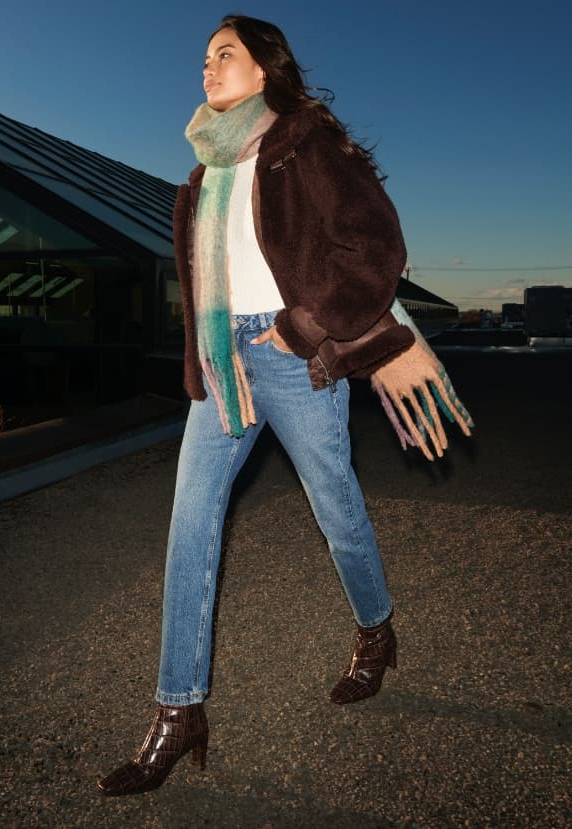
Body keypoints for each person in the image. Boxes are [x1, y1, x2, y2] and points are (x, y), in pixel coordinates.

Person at [98, 14, 473, 797]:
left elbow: (374, 248)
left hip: (295, 359)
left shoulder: (303, 142)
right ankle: (179, 710)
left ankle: (376, 631)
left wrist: (301, 327)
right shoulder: (200, 179)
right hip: (225, 364)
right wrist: (210, 356)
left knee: (337, 509)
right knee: (190, 523)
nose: (207, 68)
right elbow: (205, 287)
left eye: (224, 54)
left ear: (265, 68)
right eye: (202, 58)